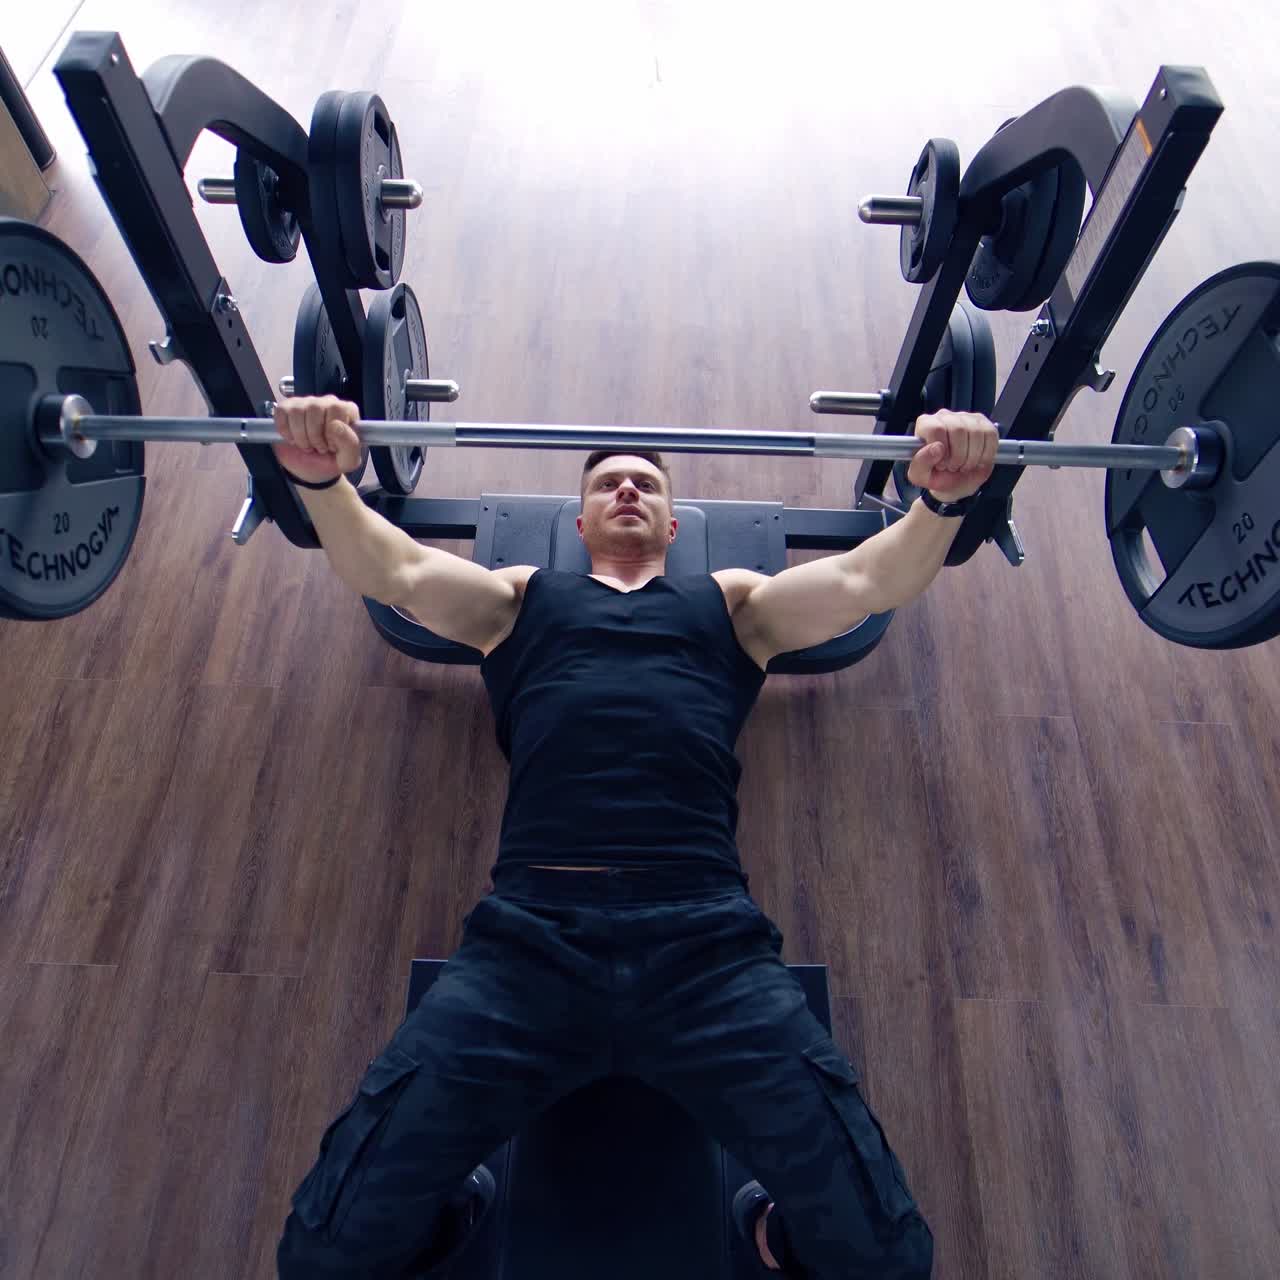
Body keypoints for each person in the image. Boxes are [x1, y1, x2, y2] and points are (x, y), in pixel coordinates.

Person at [273, 395, 998, 1279]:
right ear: (579, 521)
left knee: (888, 1260)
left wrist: (943, 503)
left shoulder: (731, 604)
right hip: (529, 946)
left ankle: (775, 1228)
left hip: (707, 950)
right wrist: (322, 482)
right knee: (324, 1255)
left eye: (646, 483)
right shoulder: (519, 598)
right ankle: (451, 1203)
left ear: (671, 520)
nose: (626, 488)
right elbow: (398, 574)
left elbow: (860, 586)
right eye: (609, 482)